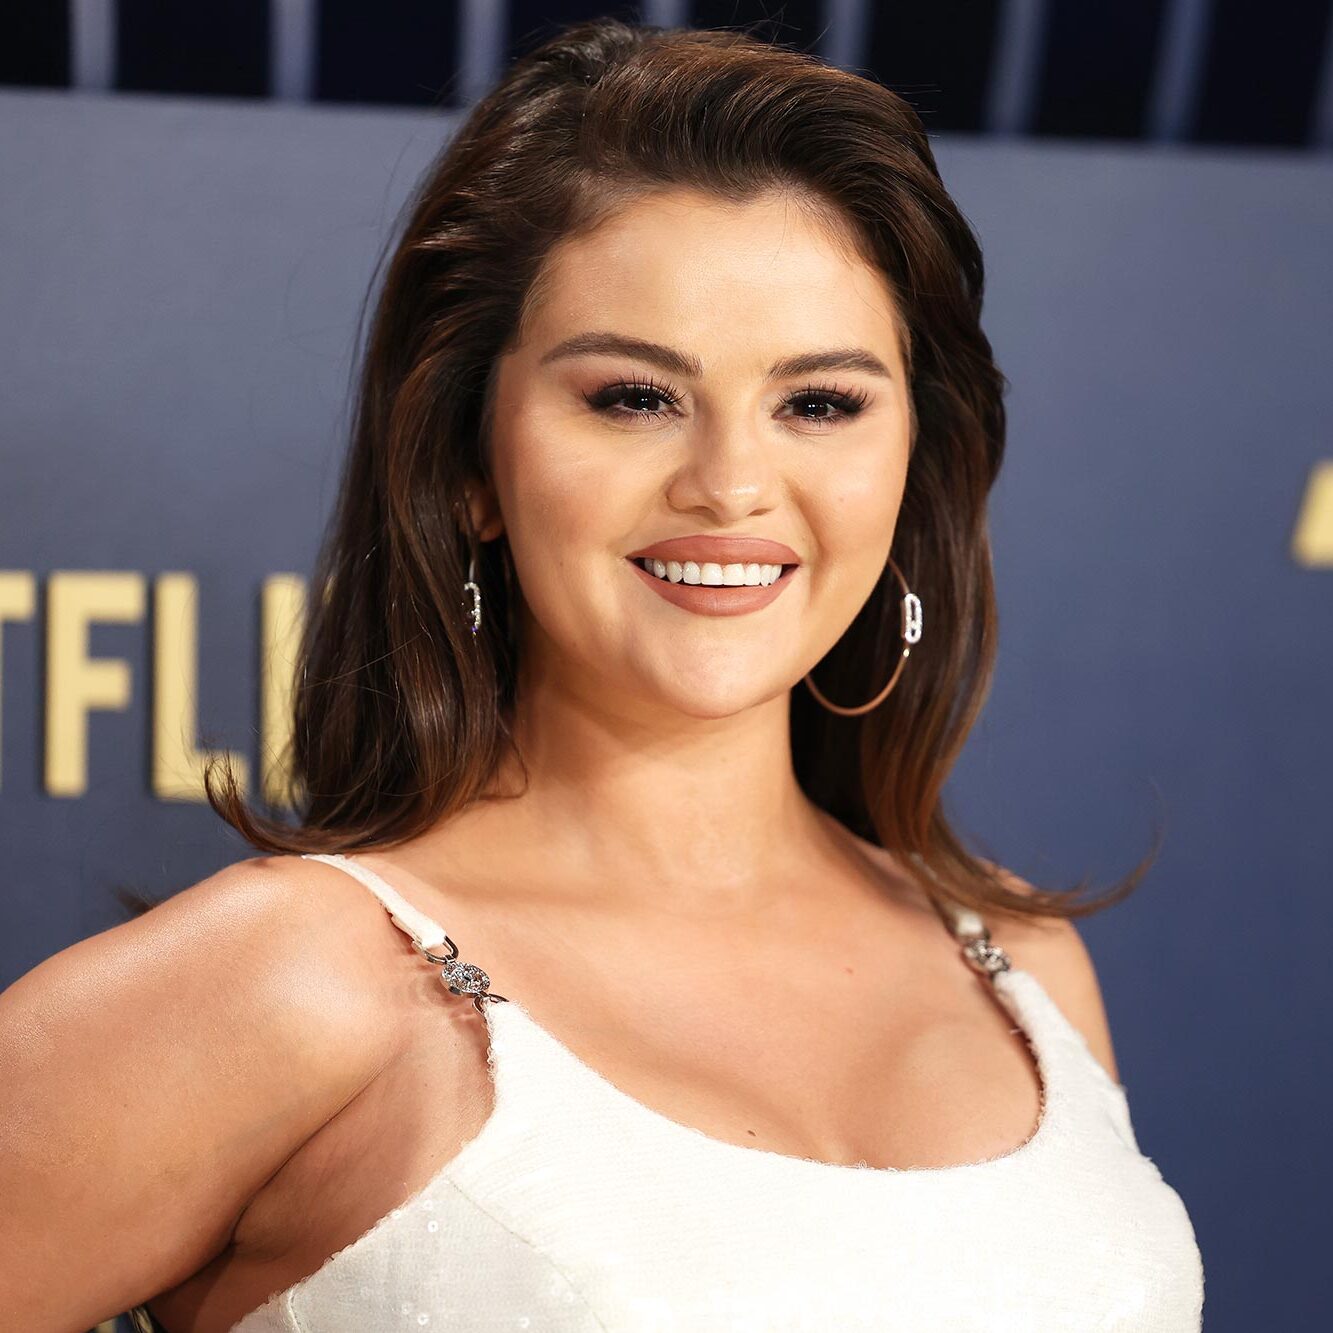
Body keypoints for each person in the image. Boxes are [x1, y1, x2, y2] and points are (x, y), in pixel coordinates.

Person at [1, 17, 1204, 1332]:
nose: (731, 484)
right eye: (634, 396)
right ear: (470, 461)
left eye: (819, 403)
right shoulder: (293, 981)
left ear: (912, 459)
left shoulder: (1022, 963)